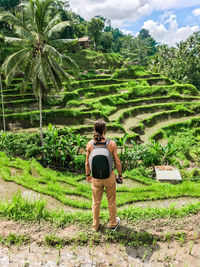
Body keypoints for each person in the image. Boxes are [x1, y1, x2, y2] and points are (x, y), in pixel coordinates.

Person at [85, 119, 123, 231]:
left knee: (96, 203)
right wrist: (120, 175)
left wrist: (88, 175)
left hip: (96, 178)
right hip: (109, 177)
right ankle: (113, 224)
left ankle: (95, 226)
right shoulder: (111, 144)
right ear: (104, 130)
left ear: (95, 129)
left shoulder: (90, 144)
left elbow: (87, 162)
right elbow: (117, 162)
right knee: (111, 200)